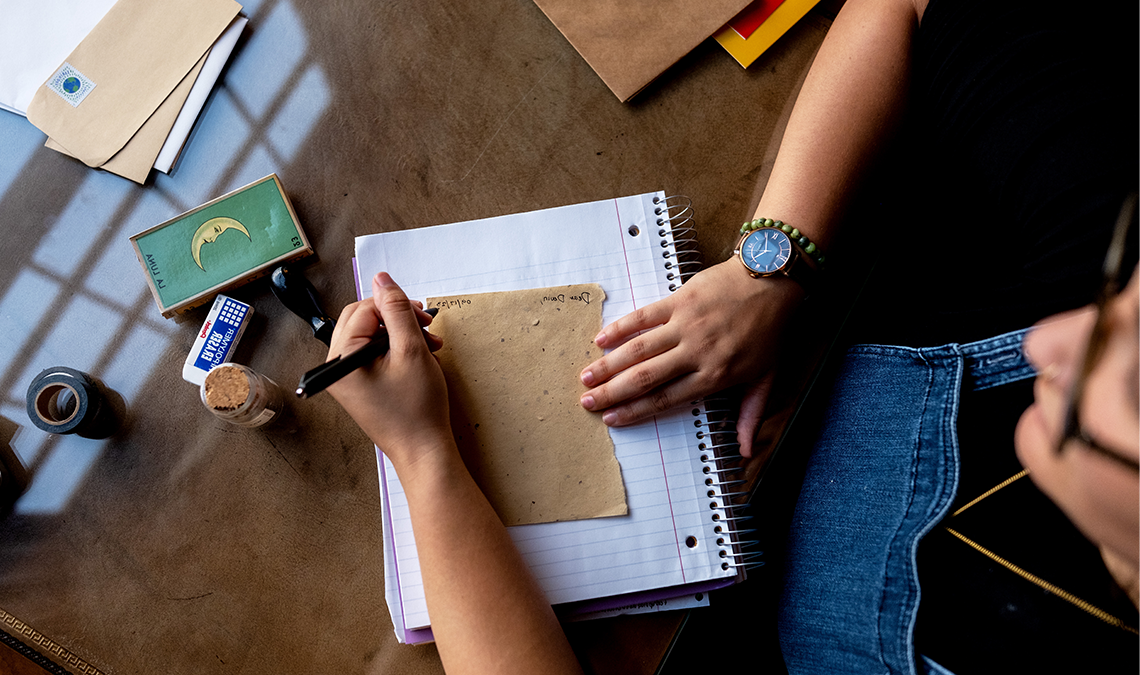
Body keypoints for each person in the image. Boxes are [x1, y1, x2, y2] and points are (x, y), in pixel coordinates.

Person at [329, 0, 1139, 671]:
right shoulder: (1113, 268)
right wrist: (778, 264)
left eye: (1109, 407)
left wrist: (425, 459)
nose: (1057, 343)